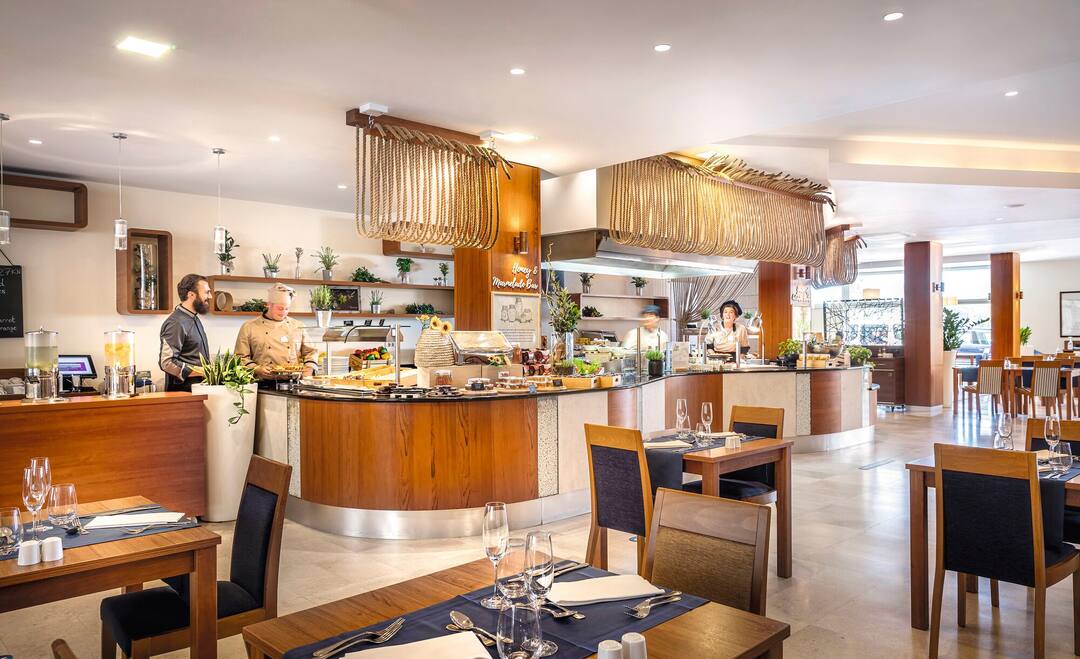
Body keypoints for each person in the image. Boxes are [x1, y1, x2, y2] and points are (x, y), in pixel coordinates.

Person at [234, 283, 318, 381]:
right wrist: (256, 369)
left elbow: (311, 352)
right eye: (280, 308)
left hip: (293, 382)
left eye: (287, 309)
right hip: (263, 383)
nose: (283, 312)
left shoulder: (298, 326)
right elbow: (240, 357)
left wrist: (309, 369)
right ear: (269, 305)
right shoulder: (249, 327)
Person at [159, 273, 211, 392]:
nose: (210, 296)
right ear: (191, 295)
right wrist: (201, 371)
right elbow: (167, 362)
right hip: (183, 394)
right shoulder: (176, 323)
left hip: (197, 391)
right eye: (207, 292)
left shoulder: (193, 318)